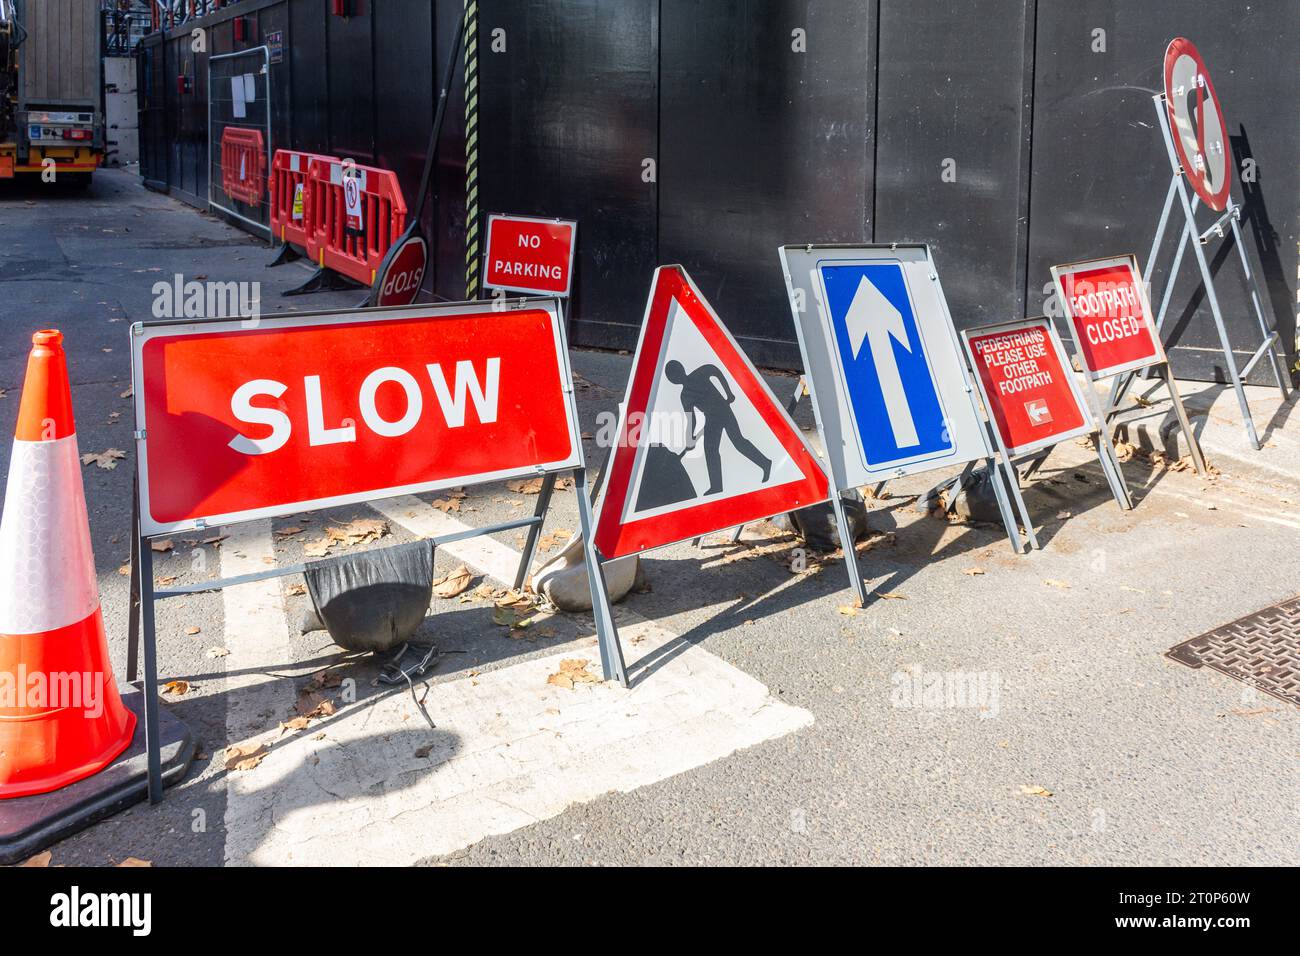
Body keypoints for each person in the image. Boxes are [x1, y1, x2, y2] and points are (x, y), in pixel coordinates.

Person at [664, 360, 771, 495]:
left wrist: (729, 393)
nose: (674, 379)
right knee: (710, 450)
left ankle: (766, 463)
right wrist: (690, 438)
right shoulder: (685, 396)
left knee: (738, 442)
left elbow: (715, 370)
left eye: (674, 375)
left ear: (680, 371)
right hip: (711, 419)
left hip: (723, 410)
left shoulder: (699, 374)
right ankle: (716, 486)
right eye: (672, 378)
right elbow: (692, 419)